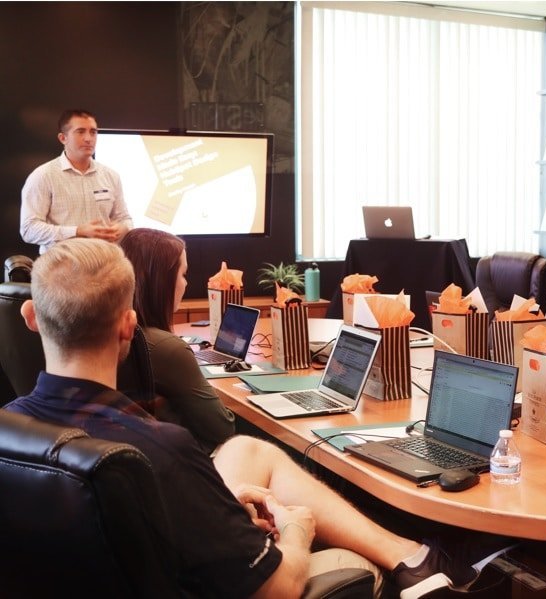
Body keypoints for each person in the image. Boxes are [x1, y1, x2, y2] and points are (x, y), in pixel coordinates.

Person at [4, 238, 486, 599]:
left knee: (245, 449)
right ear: (128, 326)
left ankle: (412, 554)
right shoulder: (159, 449)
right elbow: (275, 589)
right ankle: (416, 562)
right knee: (344, 559)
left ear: (30, 316)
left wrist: (218, 501)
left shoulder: (12, 427)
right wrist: (297, 530)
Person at [119, 228, 235, 452]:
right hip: (184, 464)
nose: (186, 283)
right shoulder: (166, 348)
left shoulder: (110, 334)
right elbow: (223, 428)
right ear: (161, 281)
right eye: (183, 274)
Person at [20, 109, 132, 254]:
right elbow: (29, 229)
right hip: (61, 266)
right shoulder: (43, 176)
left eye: (93, 132)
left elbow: (125, 219)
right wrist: (77, 231)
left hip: (105, 264)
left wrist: (122, 228)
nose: (88, 138)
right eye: (80, 132)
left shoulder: (111, 175)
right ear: (63, 138)